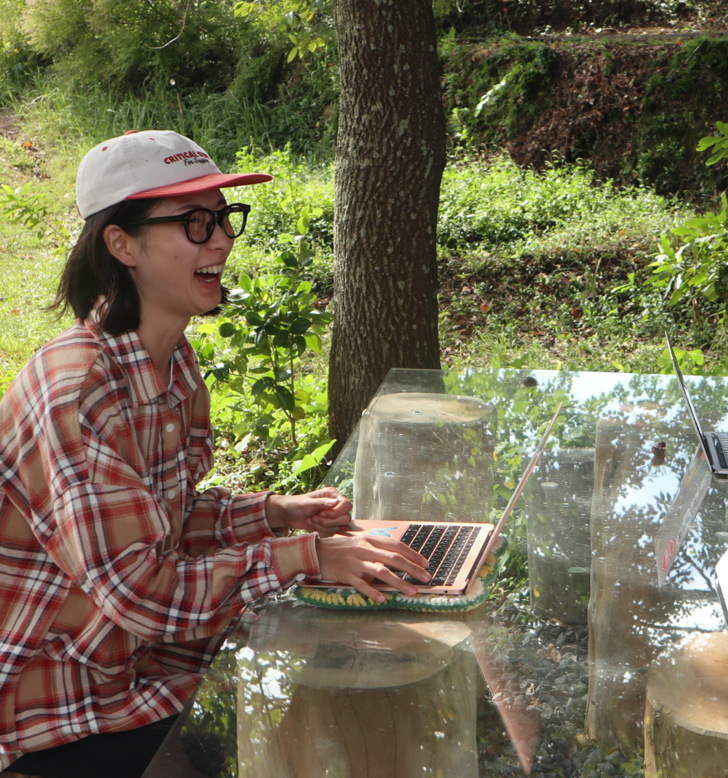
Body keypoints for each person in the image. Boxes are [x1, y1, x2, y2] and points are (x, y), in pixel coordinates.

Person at [0, 130, 431, 777]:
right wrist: (307, 556)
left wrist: (277, 513)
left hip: (132, 663)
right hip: (54, 701)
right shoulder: (80, 391)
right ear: (121, 244)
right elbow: (140, 592)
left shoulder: (171, 362)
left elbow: (161, 524)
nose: (223, 241)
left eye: (224, 218)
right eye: (195, 222)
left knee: (353, 679)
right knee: (312, 716)